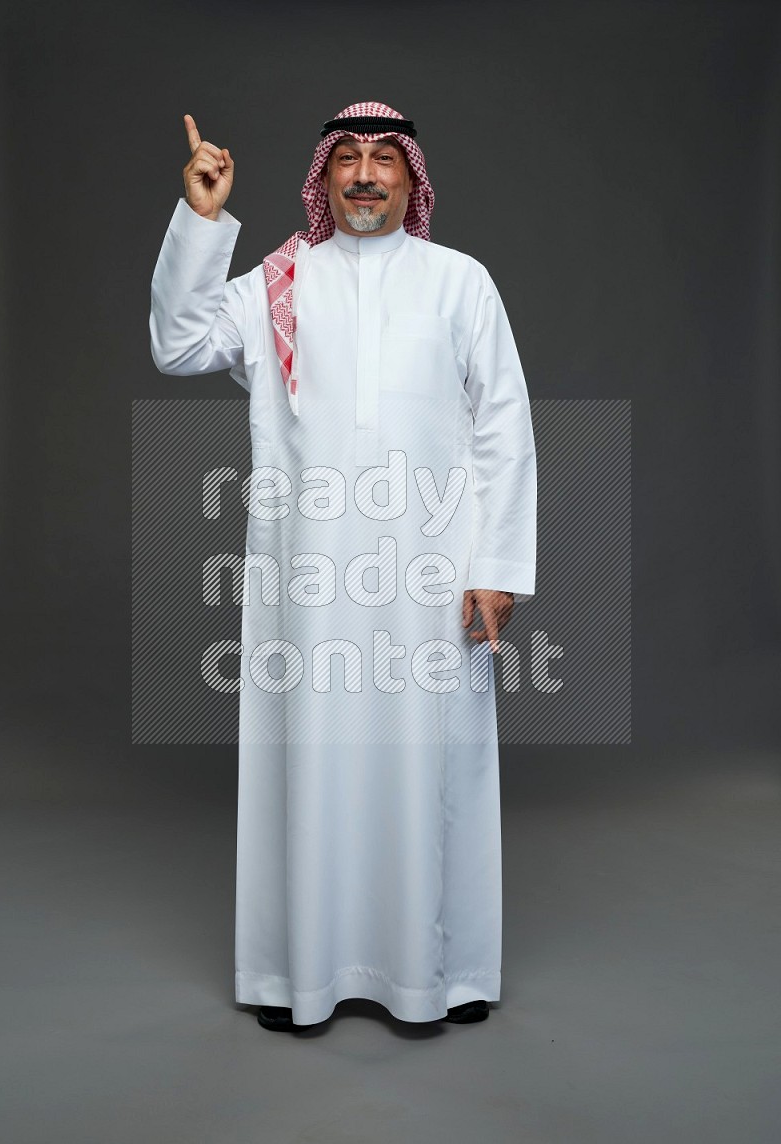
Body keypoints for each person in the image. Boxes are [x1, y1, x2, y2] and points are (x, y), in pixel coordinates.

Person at [149, 101, 537, 1032]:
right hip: (308, 582)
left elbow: (504, 428)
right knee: (308, 757)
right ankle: (297, 975)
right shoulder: (281, 280)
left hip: (432, 580)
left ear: (412, 176)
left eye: (382, 159)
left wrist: (497, 566)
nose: (365, 175)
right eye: (347, 161)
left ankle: (441, 977)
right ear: (323, 180)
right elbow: (179, 345)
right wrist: (201, 221)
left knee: (433, 763)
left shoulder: (459, 283)